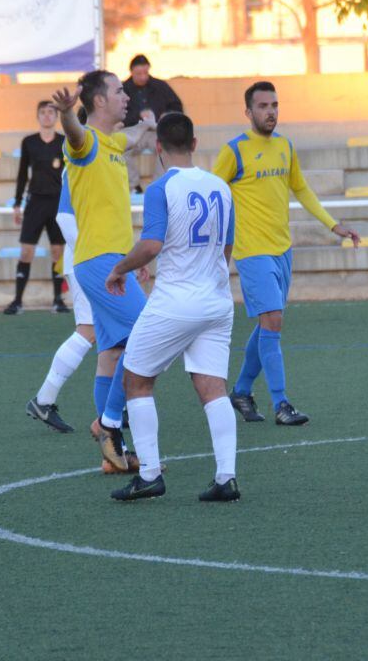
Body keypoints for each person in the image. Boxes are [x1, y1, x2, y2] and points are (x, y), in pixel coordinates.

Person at [105, 112, 240, 502]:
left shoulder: (161, 189)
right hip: (216, 301)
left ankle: (149, 475)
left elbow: (151, 245)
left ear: (158, 146)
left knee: (136, 379)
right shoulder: (221, 187)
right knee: (213, 387)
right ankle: (226, 477)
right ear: (195, 144)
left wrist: (119, 269)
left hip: (176, 300)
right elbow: (227, 247)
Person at [212, 81, 360, 427]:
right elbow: (212, 194)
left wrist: (332, 224)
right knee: (273, 322)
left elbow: (302, 189)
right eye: (263, 106)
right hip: (252, 252)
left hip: (282, 249)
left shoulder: (285, 147)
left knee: (269, 324)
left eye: (275, 105)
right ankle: (281, 403)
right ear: (248, 112)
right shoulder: (233, 151)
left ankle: (242, 390)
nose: (271, 112)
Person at [51, 70, 150, 472]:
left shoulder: (113, 141)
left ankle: (113, 455)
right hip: (98, 262)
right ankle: (107, 424)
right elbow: (73, 133)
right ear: (98, 102)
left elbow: (137, 136)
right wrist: (64, 113)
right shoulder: (87, 140)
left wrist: (150, 124)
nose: (125, 95)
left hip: (112, 262)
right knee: (147, 337)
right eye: (118, 90)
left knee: (111, 352)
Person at [24, 173, 95, 434]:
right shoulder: (81, 158)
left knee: (111, 332)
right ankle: (44, 400)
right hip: (89, 261)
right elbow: (65, 217)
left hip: (98, 258)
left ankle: (118, 408)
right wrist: (93, 254)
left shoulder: (105, 154)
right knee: (90, 331)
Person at [5, 101, 68, 315]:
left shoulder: (64, 142)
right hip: (35, 203)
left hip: (58, 202)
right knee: (26, 252)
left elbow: (70, 176)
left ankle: (58, 301)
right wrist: (17, 203)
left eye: (51, 112)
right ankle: (17, 301)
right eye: (43, 112)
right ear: (37, 116)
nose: (47, 116)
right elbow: (23, 173)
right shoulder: (29, 142)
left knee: (58, 252)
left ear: (57, 116)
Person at [121, 55, 182, 191]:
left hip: (157, 132)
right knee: (121, 148)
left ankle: (159, 186)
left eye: (145, 73)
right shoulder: (124, 89)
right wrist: (137, 116)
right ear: (131, 72)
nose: (143, 77)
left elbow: (177, 106)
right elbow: (118, 115)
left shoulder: (160, 86)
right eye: (139, 74)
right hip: (135, 131)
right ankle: (134, 185)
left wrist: (167, 115)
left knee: (167, 149)